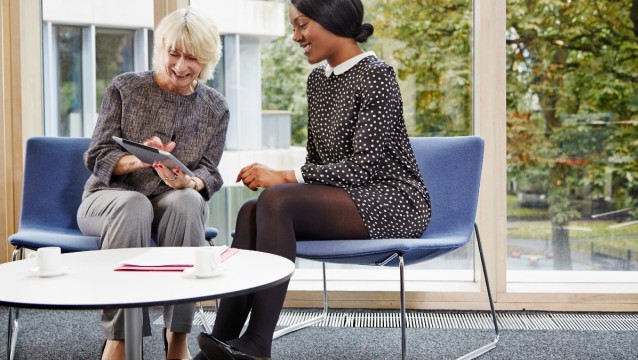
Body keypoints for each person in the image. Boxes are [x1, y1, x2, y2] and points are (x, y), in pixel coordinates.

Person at [195, 0, 431, 359]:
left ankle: (258, 344)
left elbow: (365, 166)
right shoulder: (318, 81)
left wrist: (283, 177)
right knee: (249, 212)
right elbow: (317, 162)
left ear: (331, 17)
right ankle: (222, 339)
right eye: (294, 27)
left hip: (393, 201)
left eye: (302, 24)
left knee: (277, 199)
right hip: (347, 202)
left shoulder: (377, 75)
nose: (296, 36)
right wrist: (286, 180)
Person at [76, 6, 228, 360]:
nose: (180, 65)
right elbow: (96, 155)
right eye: (173, 53)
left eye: (191, 57)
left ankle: (177, 337)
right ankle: (121, 337)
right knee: (134, 205)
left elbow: (211, 170)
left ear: (206, 59)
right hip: (108, 200)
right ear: (162, 49)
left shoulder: (215, 107)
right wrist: (138, 159)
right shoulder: (126, 88)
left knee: (189, 203)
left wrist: (190, 182)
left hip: (169, 203)